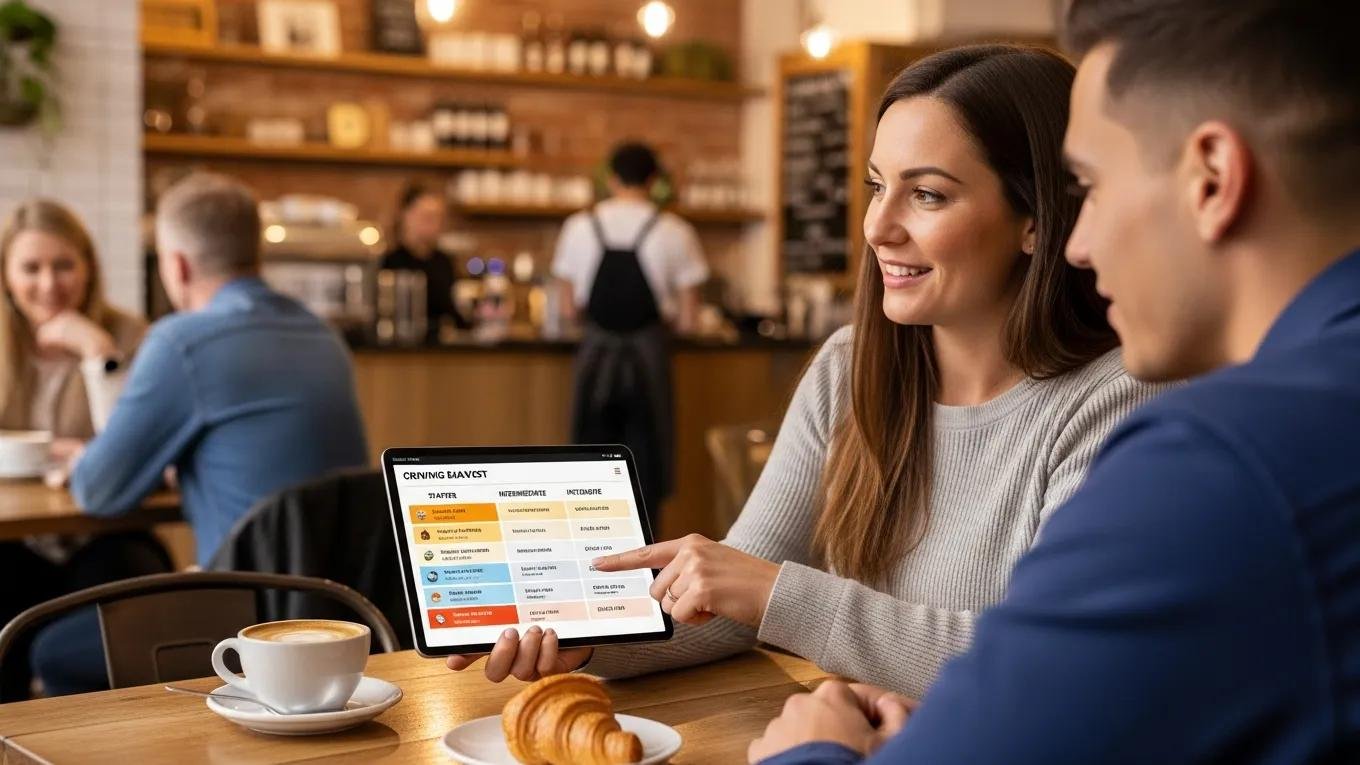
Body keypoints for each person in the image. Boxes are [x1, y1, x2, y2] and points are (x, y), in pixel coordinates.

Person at [446, 46, 1163, 698]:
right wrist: (593, 638)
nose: (878, 227)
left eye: (928, 194)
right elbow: (731, 607)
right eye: (878, 186)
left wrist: (776, 592)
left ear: (1036, 218)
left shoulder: (1116, 402)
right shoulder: (851, 367)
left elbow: (1052, 668)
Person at [749, 1, 1360, 763]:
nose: (1080, 244)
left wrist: (814, 750)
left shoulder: (1219, 459)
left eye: (1092, 188)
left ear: (1213, 178)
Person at [31, 173, 370, 695]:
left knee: (49, 650)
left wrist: (90, 458)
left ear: (178, 265)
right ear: (254, 252)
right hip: (342, 610)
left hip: (248, 616)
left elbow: (98, 490)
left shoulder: (183, 342)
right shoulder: (324, 336)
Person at [0, 200, 170, 700]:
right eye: (31, 268)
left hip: (107, 533)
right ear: (7, 275)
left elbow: (137, 452)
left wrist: (98, 353)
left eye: (64, 265)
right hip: (18, 540)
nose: (49, 284)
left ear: (89, 268)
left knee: (125, 582)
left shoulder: (130, 337)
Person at [552, 142, 708, 534]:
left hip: (595, 356)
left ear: (610, 178)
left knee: (587, 464)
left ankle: (591, 549)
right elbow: (690, 320)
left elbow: (567, 310)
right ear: (654, 181)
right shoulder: (676, 231)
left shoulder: (578, 226)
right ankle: (645, 555)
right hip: (648, 358)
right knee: (646, 465)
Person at [379, 183, 468, 336]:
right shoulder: (388, 263)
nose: (433, 224)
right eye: (426, 216)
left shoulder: (444, 262)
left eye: (437, 217)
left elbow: (452, 313)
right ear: (405, 215)